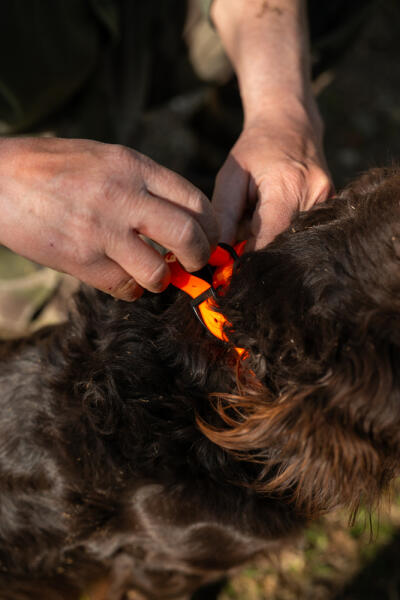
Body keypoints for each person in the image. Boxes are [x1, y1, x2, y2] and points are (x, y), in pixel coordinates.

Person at [0, 0, 364, 303]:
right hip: (17, 128)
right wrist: (9, 180)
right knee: (83, 314)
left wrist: (281, 113)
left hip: (133, 16)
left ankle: (231, 179)